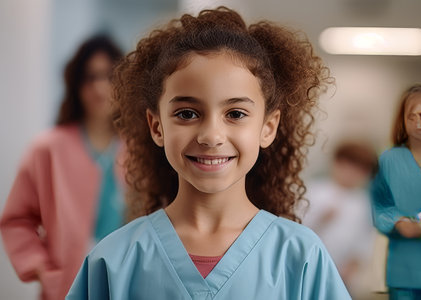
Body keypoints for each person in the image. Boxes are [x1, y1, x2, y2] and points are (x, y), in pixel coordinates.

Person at [66, 7, 350, 299]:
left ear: (268, 127)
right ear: (156, 126)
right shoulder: (113, 261)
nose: (211, 136)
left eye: (236, 113)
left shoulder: (302, 258)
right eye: (187, 113)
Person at [0, 35, 125, 300]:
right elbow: (16, 219)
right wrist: (41, 268)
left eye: (108, 76)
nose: (100, 87)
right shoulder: (47, 149)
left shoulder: (140, 149)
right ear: (77, 84)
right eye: (90, 77)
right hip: (67, 288)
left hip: (127, 285)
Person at [371, 84, 421, 299]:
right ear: (402, 121)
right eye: (412, 116)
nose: (418, 122)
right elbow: (379, 205)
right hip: (403, 269)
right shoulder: (388, 160)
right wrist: (400, 223)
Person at [299, 140, 378, 298]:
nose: (352, 174)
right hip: (309, 268)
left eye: (360, 170)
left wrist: (353, 265)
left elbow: (364, 240)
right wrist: (321, 219)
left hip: (342, 274)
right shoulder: (314, 191)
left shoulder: (362, 202)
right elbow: (297, 228)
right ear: (336, 163)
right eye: (348, 166)